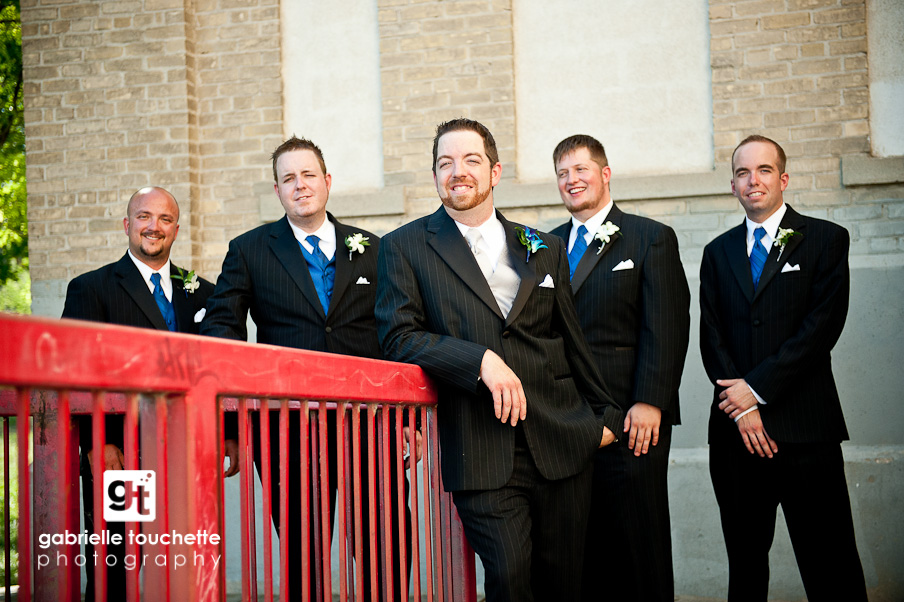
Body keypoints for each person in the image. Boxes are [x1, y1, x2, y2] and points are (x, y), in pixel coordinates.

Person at [375, 118, 622, 602]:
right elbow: (398, 337)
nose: (457, 171)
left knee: (564, 585)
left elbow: (571, 341)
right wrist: (480, 360)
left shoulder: (544, 247)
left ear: (494, 172)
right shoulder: (403, 247)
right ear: (435, 175)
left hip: (562, 441)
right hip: (480, 449)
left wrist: (605, 418)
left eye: (471, 160)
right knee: (510, 578)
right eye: (445, 163)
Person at [200, 136, 409, 601]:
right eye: (289, 178)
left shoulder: (376, 249)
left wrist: (405, 420)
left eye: (308, 174)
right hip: (287, 430)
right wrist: (231, 423)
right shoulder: (249, 250)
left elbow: (399, 332)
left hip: (370, 424)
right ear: (277, 190)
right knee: (302, 557)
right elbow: (222, 333)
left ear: (327, 181)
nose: (300, 185)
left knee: (387, 547)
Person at [699, 135, 868, 601]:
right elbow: (711, 336)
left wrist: (755, 390)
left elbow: (820, 330)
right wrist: (742, 409)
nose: (752, 180)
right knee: (746, 565)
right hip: (736, 436)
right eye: (742, 172)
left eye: (764, 170)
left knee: (830, 563)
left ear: (783, 179)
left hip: (805, 430)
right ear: (733, 185)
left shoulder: (825, 239)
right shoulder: (717, 252)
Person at [61, 186, 230, 600]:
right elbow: (75, 373)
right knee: (117, 564)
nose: (154, 226)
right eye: (144, 217)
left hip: (187, 455)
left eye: (165, 219)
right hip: (122, 454)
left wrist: (227, 434)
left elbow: (217, 369)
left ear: (176, 230)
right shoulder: (92, 288)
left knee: (184, 559)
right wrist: (97, 443)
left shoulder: (204, 292)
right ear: (127, 225)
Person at [550, 134, 690, 602]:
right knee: (582, 551)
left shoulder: (650, 237)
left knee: (637, 546)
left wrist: (651, 401)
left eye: (581, 169)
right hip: (570, 422)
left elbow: (666, 325)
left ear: (605, 174)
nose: (572, 180)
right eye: (563, 173)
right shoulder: (546, 246)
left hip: (633, 421)